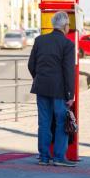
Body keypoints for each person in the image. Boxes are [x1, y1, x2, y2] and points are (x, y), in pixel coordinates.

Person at [28, 11, 76, 167]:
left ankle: (43, 157)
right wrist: (70, 94)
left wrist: (39, 77)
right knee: (61, 122)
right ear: (64, 26)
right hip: (59, 90)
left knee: (44, 122)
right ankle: (59, 157)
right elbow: (68, 71)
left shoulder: (39, 40)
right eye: (68, 24)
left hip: (41, 87)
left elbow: (31, 65)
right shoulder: (67, 44)